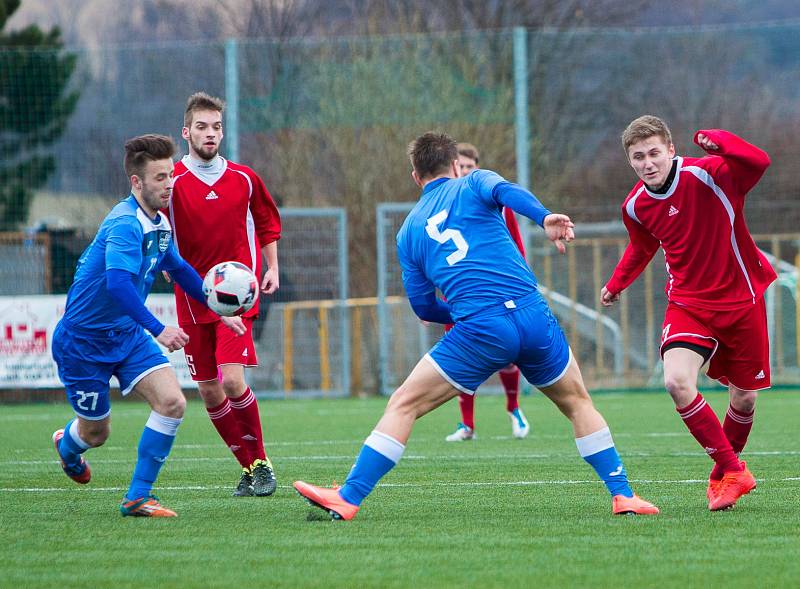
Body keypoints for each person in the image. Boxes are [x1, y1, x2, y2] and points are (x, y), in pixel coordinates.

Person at [294, 131, 659, 520]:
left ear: (416, 177)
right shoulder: (477, 180)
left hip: (481, 328)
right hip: (534, 316)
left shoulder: (409, 232)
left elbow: (423, 306)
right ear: (455, 165)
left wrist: (471, 313)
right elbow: (509, 193)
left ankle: (348, 497)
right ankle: (623, 494)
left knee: (403, 404)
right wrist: (544, 217)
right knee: (577, 403)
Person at [51, 134, 245, 517]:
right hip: (83, 343)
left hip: (125, 336)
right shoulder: (125, 224)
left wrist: (218, 306)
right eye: (159, 178)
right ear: (136, 182)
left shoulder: (160, 224)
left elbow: (179, 268)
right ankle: (67, 447)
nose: (169, 184)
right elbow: (118, 284)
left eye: (170, 175)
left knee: (172, 403)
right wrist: (158, 329)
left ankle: (138, 496)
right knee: (96, 433)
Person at [601, 115, 775, 511]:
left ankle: (722, 478)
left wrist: (717, 139)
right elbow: (641, 248)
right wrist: (616, 283)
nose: (648, 162)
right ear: (631, 161)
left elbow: (759, 162)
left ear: (671, 150)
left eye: (654, 153)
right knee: (677, 381)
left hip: (742, 299)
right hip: (688, 304)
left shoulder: (711, 173)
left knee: (744, 399)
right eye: (638, 156)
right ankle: (735, 470)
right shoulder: (635, 206)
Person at [167, 92, 282, 497]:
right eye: (202, 126)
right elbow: (157, 234)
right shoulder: (173, 183)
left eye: (216, 126)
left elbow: (267, 222)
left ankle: (263, 463)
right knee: (209, 389)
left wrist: (272, 267)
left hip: (238, 297)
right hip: (191, 300)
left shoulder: (244, 178)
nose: (210, 133)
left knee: (232, 380)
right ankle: (248, 467)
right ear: (186, 132)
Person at [445, 142, 530, 441]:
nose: (465, 171)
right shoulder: (443, 206)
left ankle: (514, 408)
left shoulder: (494, 204)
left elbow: (515, 247)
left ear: (477, 168)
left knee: (507, 354)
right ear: (453, 168)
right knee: (461, 357)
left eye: (470, 166)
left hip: (495, 291)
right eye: (461, 166)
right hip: (457, 294)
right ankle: (466, 424)